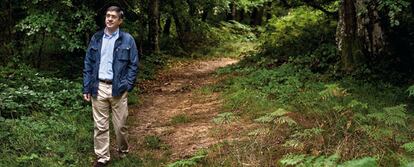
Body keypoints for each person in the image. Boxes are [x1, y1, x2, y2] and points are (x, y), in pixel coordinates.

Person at [82, 5, 138, 167]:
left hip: (118, 89)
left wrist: (127, 84)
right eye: (107, 16)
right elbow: (88, 63)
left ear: (120, 21)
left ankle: (123, 150)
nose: (109, 19)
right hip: (98, 87)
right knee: (100, 126)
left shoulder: (128, 40)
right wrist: (87, 87)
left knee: (120, 125)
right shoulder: (96, 38)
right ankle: (102, 157)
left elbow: (133, 64)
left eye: (113, 16)